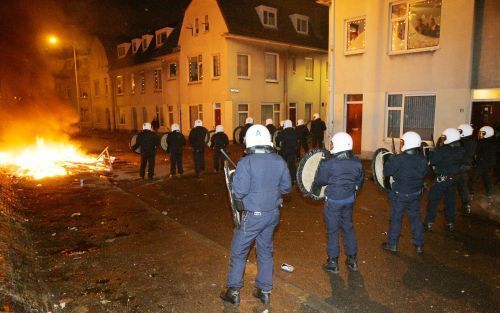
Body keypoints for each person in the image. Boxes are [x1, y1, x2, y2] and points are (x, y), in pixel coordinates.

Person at [220, 125, 291, 306]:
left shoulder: (246, 162)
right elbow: (286, 188)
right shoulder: (279, 160)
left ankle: (233, 291)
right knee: (265, 251)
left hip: (252, 217)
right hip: (272, 215)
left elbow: (239, 193)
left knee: (239, 251)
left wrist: (240, 180)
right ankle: (264, 290)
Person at [314, 132, 364, 273]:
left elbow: (319, 181)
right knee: (348, 227)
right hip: (349, 200)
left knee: (333, 230)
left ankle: (333, 262)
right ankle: (352, 260)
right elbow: (359, 181)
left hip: (334, 201)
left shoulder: (329, 163)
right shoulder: (356, 162)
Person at [381, 132, 428, 254]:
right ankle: (419, 245)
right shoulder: (422, 159)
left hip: (400, 194)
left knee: (396, 219)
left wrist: (390, 160)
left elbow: (386, 172)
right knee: (415, 219)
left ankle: (392, 244)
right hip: (415, 193)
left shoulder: (398, 159)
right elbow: (423, 173)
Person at [423, 128, 465, 232]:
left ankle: (429, 222)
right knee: (450, 200)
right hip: (455, 178)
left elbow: (433, 161)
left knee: (433, 199)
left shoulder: (443, 150)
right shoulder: (461, 149)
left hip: (443, 178)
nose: (443, 139)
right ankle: (450, 222)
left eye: (445, 137)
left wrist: (433, 153)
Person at [470, 126, 498, 198]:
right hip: (491, 163)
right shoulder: (495, 141)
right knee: (487, 178)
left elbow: (475, 151)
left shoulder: (482, 142)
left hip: (482, 163)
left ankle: (471, 193)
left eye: (482, 133)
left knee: (473, 178)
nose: (480, 135)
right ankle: (490, 194)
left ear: (488, 134)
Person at [456, 124, 477, 213]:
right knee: (463, 185)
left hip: (460, 166)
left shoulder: (461, 142)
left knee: (460, 185)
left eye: (460, 131)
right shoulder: (473, 141)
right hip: (468, 165)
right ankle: (466, 204)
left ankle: (466, 205)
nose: (458, 132)